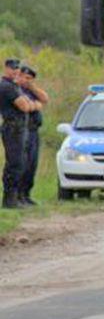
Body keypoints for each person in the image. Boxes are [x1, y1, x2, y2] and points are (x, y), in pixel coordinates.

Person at [1, 59, 42, 209]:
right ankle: (9, 199)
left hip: (20, 128)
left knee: (22, 163)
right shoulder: (6, 86)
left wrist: (32, 104)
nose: (15, 71)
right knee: (14, 164)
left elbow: (38, 101)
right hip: (13, 127)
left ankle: (17, 198)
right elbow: (25, 106)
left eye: (17, 68)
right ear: (6, 68)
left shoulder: (14, 86)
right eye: (12, 68)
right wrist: (34, 105)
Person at [17, 65, 48, 206]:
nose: (28, 81)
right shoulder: (15, 89)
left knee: (31, 164)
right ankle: (17, 195)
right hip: (22, 130)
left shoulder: (30, 90)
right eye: (26, 78)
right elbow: (28, 106)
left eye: (31, 79)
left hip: (34, 131)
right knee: (22, 163)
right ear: (19, 75)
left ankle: (26, 194)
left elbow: (44, 99)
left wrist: (32, 88)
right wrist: (36, 105)